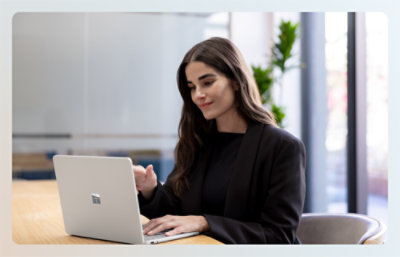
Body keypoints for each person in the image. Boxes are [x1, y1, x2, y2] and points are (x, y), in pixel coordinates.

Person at [133, 37, 306, 244]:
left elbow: (279, 236)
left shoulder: (282, 147)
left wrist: (205, 222)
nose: (198, 95)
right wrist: (150, 188)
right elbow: (175, 213)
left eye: (207, 83)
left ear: (235, 81)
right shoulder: (195, 141)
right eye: (192, 87)